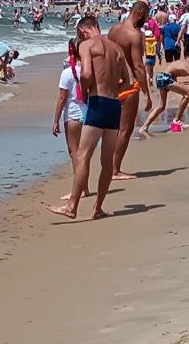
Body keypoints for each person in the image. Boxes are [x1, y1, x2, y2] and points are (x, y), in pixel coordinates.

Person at [47, 17, 130, 220]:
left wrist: (85, 92)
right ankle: (98, 207)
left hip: (97, 101)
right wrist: (113, 91)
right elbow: (127, 83)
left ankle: (71, 206)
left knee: (83, 156)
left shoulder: (87, 45)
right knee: (107, 162)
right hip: (113, 105)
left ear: (83, 32)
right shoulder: (117, 49)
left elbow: (85, 74)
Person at [107, 0, 153, 180]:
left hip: (112, 84)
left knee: (112, 129)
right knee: (125, 129)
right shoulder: (135, 35)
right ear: (140, 13)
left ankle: (108, 167)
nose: (147, 18)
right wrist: (147, 93)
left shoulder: (114, 30)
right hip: (129, 85)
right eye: (147, 15)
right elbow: (138, 66)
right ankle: (115, 170)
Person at [52, 39, 91, 198]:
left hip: (73, 115)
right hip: (88, 113)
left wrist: (56, 120)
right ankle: (85, 187)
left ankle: (79, 190)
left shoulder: (67, 73)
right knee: (84, 154)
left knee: (74, 153)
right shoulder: (89, 70)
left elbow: (62, 98)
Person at [140, 58, 189, 136]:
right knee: (188, 94)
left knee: (161, 106)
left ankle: (144, 127)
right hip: (165, 77)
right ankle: (176, 120)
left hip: (160, 77)